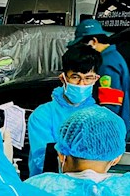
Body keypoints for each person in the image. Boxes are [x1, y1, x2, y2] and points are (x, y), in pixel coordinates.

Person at [27, 46, 102, 178]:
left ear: (96, 79)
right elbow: (43, 160)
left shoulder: (101, 117)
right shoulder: (42, 115)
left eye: (88, 78)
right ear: (63, 78)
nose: (81, 84)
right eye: (75, 77)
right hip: (48, 184)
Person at [68, 19, 130, 131]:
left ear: (94, 41)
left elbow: (110, 106)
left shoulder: (107, 64)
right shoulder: (113, 57)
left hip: (107, 130)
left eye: (82, 45)